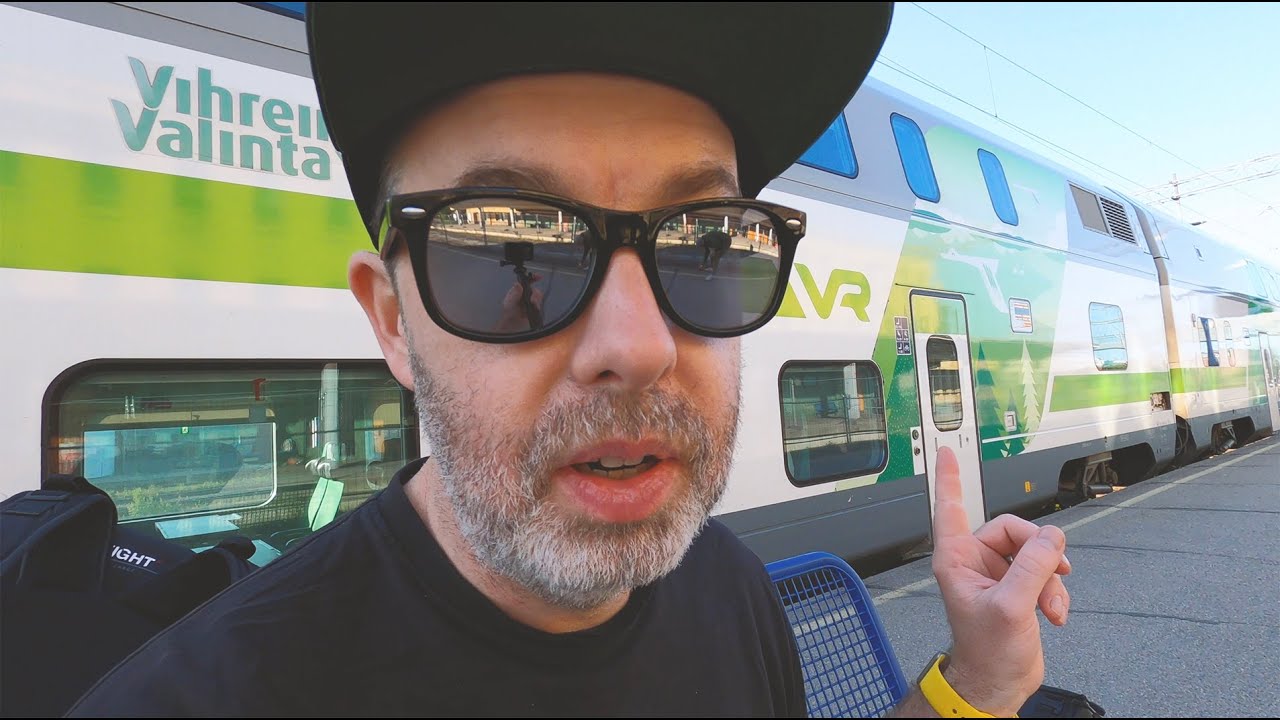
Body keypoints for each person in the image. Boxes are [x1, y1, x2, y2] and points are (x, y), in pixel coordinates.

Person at [70, 4, 1070, 717]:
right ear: (392, 322)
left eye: (703, 242)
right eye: (511, 252)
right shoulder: (204, 696)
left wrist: (976, 683)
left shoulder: (728, 587)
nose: (636, 345)